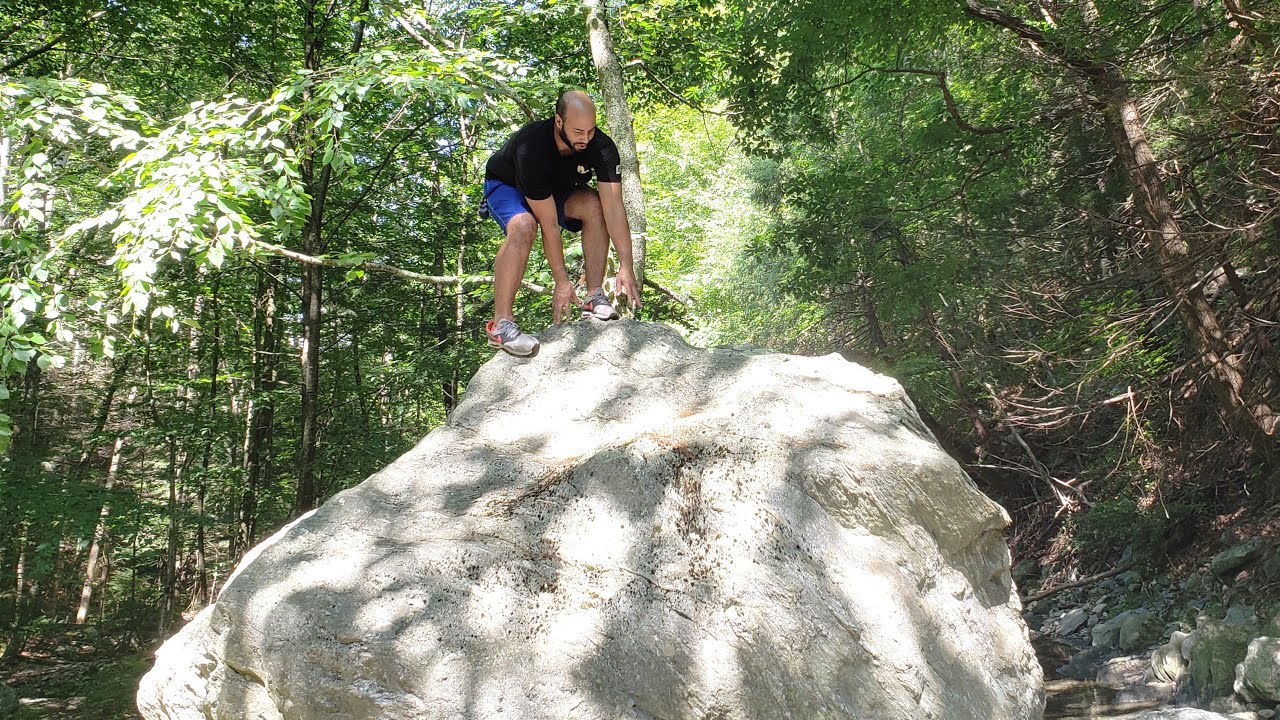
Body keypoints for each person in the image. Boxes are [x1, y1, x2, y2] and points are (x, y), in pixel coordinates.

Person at [479, 89, 642, 356]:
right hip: (509, 185)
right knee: (524, 225)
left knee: (595, 205)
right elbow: (549, 224)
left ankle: (593, 297)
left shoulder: (601, 147)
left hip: (557, 189)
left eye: (591, 131)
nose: (586, 139)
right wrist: (562, 281)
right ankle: (501, 325)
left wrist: (626, 264)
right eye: (578, 132)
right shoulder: (531, 148)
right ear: (558, 121)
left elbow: (614, 208)